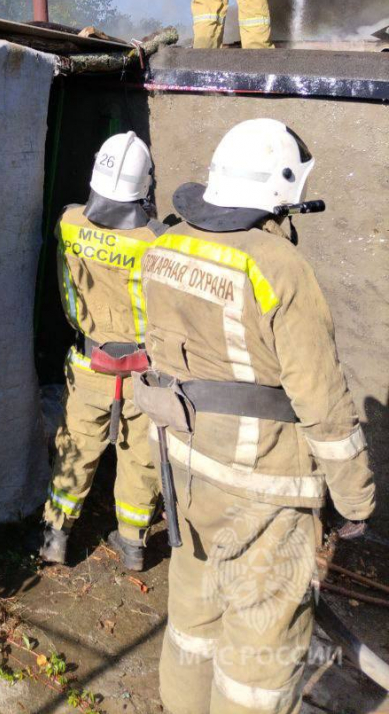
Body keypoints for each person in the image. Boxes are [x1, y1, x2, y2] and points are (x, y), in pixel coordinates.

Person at [136, 119, 375, 714]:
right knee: (260, 654)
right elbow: (321, 398)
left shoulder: (165, 245)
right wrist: (355, 499)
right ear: (283, 190)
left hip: (186, 470)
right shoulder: (277, 265)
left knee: (193, 619)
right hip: (264, 489)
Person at [39, 131, 162, 570]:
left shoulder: (68, 223)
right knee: (141, 457)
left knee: (75, 448)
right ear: (144, 184)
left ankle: (55, 537)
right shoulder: (157, 240)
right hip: (144, 370)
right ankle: (132, 544)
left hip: (89, 361)